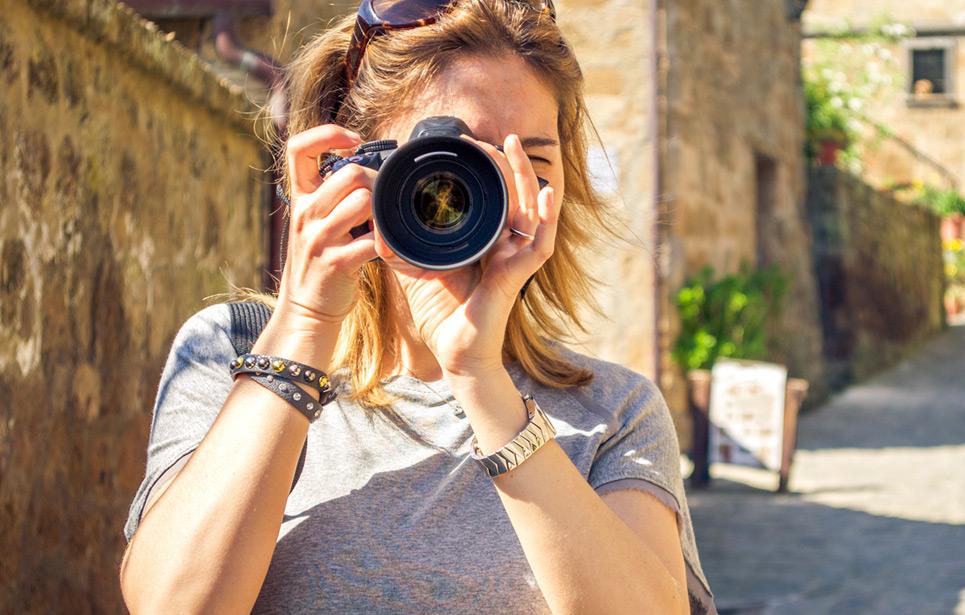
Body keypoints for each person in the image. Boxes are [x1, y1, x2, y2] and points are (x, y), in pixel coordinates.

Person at [118, 0, 716, 612]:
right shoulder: (230, 356)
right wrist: (305, 324)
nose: (489, 193)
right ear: (352, 165)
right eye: (449, 162)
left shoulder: (614, 412)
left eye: (529, 163)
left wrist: (480, 379)